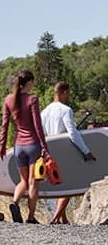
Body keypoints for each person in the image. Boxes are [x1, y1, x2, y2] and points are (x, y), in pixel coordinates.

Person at [41, 81, 96, 224]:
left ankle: (63, 219)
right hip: (65, 152)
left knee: (60, 184)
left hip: (50, 152)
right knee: (71, 184)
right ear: (64, 92)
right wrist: (86, 151)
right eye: (68, 94)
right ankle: (55, 218)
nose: (68, 97)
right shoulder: (65, 110)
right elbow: (72, 133)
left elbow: (42, 134)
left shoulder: (44, 112)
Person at [0, 70, 49, 224]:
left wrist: (2, 147)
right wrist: (44, 147)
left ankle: (14, 203)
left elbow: (4, 126)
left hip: (18, 147)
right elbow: (37, 126)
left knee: (23, 181)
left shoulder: (8, 100)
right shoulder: (32, 99)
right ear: (29, 82)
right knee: (33, 182)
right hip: (33, 145)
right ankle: (31, 217)